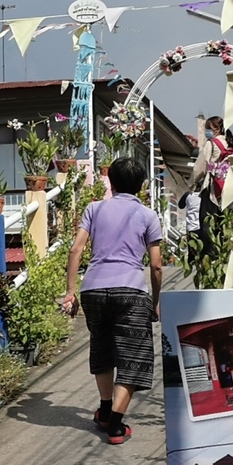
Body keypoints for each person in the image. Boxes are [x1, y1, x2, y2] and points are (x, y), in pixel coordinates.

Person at [61, 156, 163, 446]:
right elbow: (156, 266)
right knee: (133, 357)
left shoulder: (94, 208)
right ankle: (115, 425)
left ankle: (105, 408)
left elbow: (75, 250)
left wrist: (71, 291)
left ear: (111, 183)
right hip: (130, 291)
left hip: (93, 290)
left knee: (103, 350)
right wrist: (155, 301)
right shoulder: (148, 215)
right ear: (142, 186)